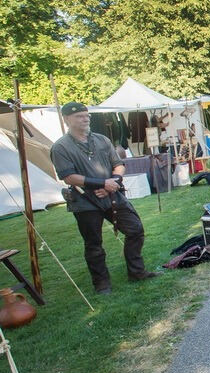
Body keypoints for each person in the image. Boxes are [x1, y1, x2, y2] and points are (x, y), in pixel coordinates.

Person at [49, 102, 159, 294]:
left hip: (112, 194)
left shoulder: (102, 140)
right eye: (79, 116)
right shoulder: (60, 147)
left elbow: (118, 164)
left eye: (86, 115)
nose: (85, 118)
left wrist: (113, 182)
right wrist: (101, 184)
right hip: (84, 201)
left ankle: (137, 272)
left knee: (135, 229)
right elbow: (68, 176)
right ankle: (101, 284)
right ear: (67, 119)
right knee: (94, 244)